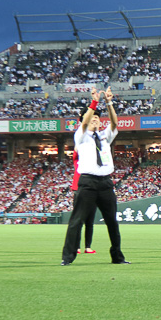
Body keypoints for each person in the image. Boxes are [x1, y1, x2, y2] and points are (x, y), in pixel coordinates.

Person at [61, 87, 129, 265]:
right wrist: (94, 102)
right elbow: (84, 123)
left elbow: (114, 123)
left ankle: (117, 257)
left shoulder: (104, 136)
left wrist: (108, 102)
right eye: (92, 117)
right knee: (77, 220)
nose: (95, 120)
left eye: (98, 118)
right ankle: (67, 257)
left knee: (112, 222)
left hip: (105, 182)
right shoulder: (81, 136)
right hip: (88, 182)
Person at [71, 148, 95, 254]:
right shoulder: (78, 163)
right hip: (78, 190)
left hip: (92, 191)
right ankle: (77, 247)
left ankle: (88, 247)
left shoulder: (93, 165)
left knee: (89, 222)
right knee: (78, 221)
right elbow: (75, 154)